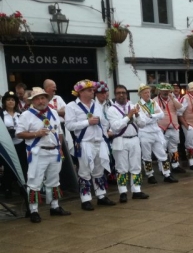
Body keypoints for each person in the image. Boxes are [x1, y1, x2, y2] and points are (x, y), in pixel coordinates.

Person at [16, 87, 71, 222]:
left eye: (43, 98)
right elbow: (19, 133)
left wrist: (60, 147)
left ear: (47, 99)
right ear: (32, 101)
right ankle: (33, 211)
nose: (40, 101)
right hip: (37, 152)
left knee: (54, 180)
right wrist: (36, 133)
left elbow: (59, 131)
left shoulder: (52, 112)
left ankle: (55, 206)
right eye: (37, 99)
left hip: (54, 151)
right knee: (34, 181)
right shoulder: (26, 115)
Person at [66, 80, 115, 210]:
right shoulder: (71, 106)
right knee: (85, 171)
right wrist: (87, 122)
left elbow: (104, 121)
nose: (93, 92)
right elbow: (69, 125)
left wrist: (104, 133)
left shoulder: (96, 104)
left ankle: (101, 196)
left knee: (99, 170)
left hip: (99, 142)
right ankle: (86, 199)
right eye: (89, 90)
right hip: (84, 143)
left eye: (93, 90)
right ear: (80, 92)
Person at [106, 85, 149, 203]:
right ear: (115, 95)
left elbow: (143, 124)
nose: (121, 95)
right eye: (118, 93)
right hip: (120, 139)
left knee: (136, 166)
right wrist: (129, 116)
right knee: (121, 167)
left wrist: (137, 115)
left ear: (126, 94)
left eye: (123, 93)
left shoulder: (135, 106)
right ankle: (123, 192)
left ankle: (137, 191)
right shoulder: (111, 109)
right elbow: (115, 127)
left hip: (134, 139)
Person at [137, 85, 178, 184]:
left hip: (156, 131)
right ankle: (150, 175)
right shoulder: (138, 105)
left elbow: (162, 115)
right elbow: (142, 121)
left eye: (148, 92)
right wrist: (155, 117)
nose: (147, 94)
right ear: (140, 94)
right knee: (147, 156)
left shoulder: (153, 102)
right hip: (145, 133)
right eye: (145, 93)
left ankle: (167, 174)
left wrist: (151, 116)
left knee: (162, 153)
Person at [156, 83, 187, 173]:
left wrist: (173, 98)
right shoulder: (155, 100)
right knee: (162, 149)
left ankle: (175, 165)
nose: (165, 92)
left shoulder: (173, 99)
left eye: (167, 90)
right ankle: (163, 168)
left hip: (174, 127)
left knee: (174, 148)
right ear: (160, 91)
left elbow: (181, 109)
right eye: (163, 90)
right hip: (162, 128)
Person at [1, 92, 27, 198]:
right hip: (8, 144)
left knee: (22, 166)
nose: (11, 102)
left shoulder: (20, 114)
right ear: (4, 102)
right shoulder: (2, 114)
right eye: (8, 100)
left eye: (13, 100)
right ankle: (7, 189)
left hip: (20, 143)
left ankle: (22, 187)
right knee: (8, 167)